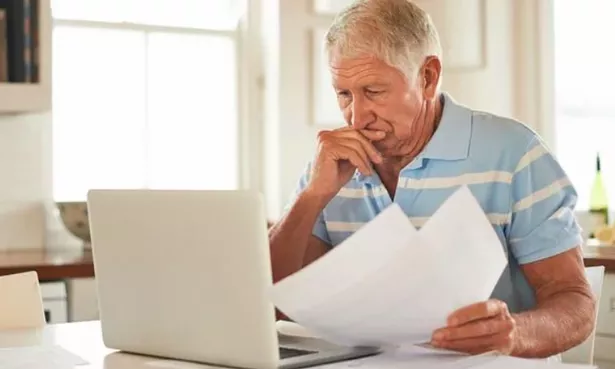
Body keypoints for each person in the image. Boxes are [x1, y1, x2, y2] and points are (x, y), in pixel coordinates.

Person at [268, 0, 595, 358]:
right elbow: (270, 304)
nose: (356, 116)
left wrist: (513, 333)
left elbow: (576, 305)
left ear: (427, 77)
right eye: (344, 94)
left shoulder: (515, 153)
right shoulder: (329, 166)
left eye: (373, 92)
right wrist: (313, 195)